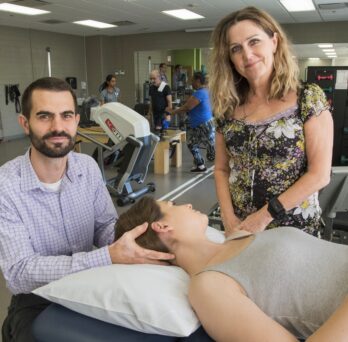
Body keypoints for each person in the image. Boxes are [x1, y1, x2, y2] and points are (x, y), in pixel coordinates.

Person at [0, 77, 174, 342]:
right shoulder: (6, 186)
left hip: (91, 284)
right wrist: (107, 257)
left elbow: (105, 226)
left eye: (66, 116)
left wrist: (137, 242)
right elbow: (20, 274)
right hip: (36, 298)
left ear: (76, 121)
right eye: (45, 116)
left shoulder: (87, 168)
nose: (58, 127)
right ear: (25, 124)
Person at [115, 196, 348, 342]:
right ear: (162, 226)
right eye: (172, 204)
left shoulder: (238, 237)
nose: (187, 203)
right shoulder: (209, 286)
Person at [209, 7, 333, 236]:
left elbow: (319, 174)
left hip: (294, 231)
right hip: (241, 230)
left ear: (274, 42)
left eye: (254, 41)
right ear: (230, 59)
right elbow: (221, 169)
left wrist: (264, 216)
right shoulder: (227, 108)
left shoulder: (308, 99)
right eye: (236, 49)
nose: (247, 55)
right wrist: (228, 218)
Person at [171, 72, 215, 172]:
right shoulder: (205, 91)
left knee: (212, 146)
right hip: (200, 124)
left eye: (192, 81)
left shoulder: (200, 93)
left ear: (198, 81)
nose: (191, 83)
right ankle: (200, 165)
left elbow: (188, 107)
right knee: (192, 143)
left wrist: (173, 112)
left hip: (203, 124)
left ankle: (226, 166)